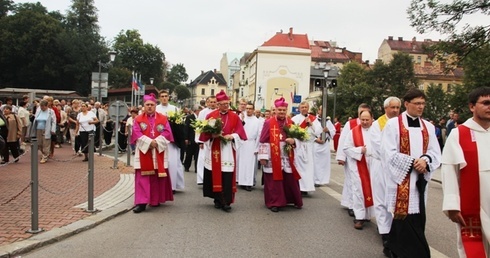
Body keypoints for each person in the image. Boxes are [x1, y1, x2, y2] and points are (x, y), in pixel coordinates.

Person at [380, 89, 441, 258]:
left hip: (419, 179)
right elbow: (387, 152)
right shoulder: (393, 125)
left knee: (417, 216)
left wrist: (426, 160)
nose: (421, 107)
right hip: (401, 178)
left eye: (423, 103)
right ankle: (396, 249)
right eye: (417, 103)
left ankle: (413, 251)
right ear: (407, 104)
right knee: (401, 216)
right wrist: (413, 162)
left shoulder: (428, 127)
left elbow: (435, 152)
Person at [441, 87, 490, 258]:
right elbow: (449, 170)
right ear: (472, 107)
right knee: (474, 249)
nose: (489, 107)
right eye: (485, 103)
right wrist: (452, 205)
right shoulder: (459, 134)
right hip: (475, 202)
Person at [199, 90, 247, 212]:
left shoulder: (234, 116)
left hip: (227, 151)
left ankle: (226, 201)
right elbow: (204, 133)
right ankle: (217, 199)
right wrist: (212, 135)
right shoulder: (211, 116)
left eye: (227, 103)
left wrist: (232, 136)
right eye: (222, 104)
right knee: (214, 173)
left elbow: (240, 133)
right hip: (214, 147)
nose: (225, 106)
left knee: (226, 175)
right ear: (218, 104)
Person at [131, 93, 174, 213]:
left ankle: (155, 200)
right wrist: (150, 142)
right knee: (143, 177)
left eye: (152, 105)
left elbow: (167, 133)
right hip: (144, 151)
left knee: (156, 176)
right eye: (147, 105)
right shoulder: (138, 119)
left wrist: (157, 142)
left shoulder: (163, 118)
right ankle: (141, 203)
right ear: (144, 106)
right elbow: (136, 133)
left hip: (158, 150)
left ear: (155, 105)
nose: (149, 107)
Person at [369, 96, 401, 256]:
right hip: (381, 166)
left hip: (397, 167)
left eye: (397, 107)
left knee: (394, 200)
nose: (395, 110)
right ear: (385, 109)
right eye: (392, 107)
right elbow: (379, 147)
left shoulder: (402, 123)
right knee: (381, 199)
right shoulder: (377, 125)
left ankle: (394, 229)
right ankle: (385, 233)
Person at [258, 97, 303, 212]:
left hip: (287, 153)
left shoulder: (290, 122)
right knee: (274, 180)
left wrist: (293, 141)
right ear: (275, 110)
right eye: (280, 110)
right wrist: (262, 157)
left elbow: (298, 138)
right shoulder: (268, 122)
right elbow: (263, 139)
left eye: (284, 110)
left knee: (289, 178)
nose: (282, 112)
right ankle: (275, 202)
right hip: (272, 153)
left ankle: (290, 199)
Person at [336, 103, 371, 217]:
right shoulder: (351, 124)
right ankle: (351, 205)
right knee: (352, 183)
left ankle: (365, 208)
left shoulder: (373, 126)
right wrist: (341, 157)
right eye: (361, 112)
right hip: (353, 159)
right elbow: (343, 140)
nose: (364, 119)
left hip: (369, 161)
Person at [344, 110, 374, 230]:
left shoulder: (377, 131)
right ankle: (359, 217)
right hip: (358, 165)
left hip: (373, 166)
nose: (365, 122)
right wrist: (359, 150)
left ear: (372, 119)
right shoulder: (353, 132)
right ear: (359, 119)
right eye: (363, 120)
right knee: (358, 191)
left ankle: (368, 215)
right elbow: (346, 148)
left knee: (373, 190)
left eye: (367, 119)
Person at [156, 89, 185, 192]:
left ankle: (173, 185)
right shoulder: (156, 109)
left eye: (166, 96)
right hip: (159, 140)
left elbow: (180, 124)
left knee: (173, 162)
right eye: (162, 96)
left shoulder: (175, 109)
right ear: (159, 98)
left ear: (169, 97)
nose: (164, 98)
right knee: (160, 162)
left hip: (172, 141)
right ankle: (161, 185)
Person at [291, 101, 323, 195]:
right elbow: (291, 130)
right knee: (298, 167)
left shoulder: (313, 119)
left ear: (308, 108)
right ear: (299, 109)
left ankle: (306, 187)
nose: (304, 108)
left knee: (308, 168)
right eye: (302, 107)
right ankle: (298, 186)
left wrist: (311, 124)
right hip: (298, 145)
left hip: (308, 146)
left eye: (305, 107)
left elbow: (318, 132)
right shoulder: (295, 118)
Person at [237, 102, 263, 191]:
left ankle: (248, 183)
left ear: (253, 110)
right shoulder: (241, 118)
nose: (248, 110)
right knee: (241, 163)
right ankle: (241, 181)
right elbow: (237, 130)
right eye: (247, 108)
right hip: (241, 143)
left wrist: (257, 147)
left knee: (250, 165)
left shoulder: (257, 121)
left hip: (251, 144)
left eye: (250, 108)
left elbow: (259, 135)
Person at [195, 96, 217, 185]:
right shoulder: (203, 113)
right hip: (205, 138)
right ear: (207, 103)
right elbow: (198, 126)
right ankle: (202, 179)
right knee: (203, 159)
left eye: (214, 102)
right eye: (210, 102)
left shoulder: (218, 112)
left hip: (215, 138)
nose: (212, 104)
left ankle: (213, 178)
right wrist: (200, 141)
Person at [313, 105, 336, 186]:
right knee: (315, 163)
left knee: (323, 164)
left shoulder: (328, 121)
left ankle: (322, 180)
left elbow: (333, 132)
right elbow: (309, 132)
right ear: (318, 111)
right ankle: (314, 180)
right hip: (316, 144)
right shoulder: (313, 120)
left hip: (325, 145)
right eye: (321, 110)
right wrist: (315, 139)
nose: (322, 112)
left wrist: (328, 130)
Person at [30, 100, 57, 164]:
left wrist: (53, 129)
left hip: (46, 129)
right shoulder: (38, 111)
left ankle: (45, 156)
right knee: (39, 143)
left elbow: (54, 121)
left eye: (43, 106)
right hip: (38, 128)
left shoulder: (51, 111)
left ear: (46, 106)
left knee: (46, 143)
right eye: (41, 106)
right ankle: (44, 154)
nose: (42, 108)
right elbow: (35, 118)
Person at [183, 105, 200, 172]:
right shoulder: (189, 117)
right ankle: (186, 166)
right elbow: (186, 128)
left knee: (197, 154)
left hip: (198, 139)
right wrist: (186, 138)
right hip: (191, 138)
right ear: (196, 111)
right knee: (189, 154)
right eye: (199, 110)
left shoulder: (201, 118)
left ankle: (197, 168)